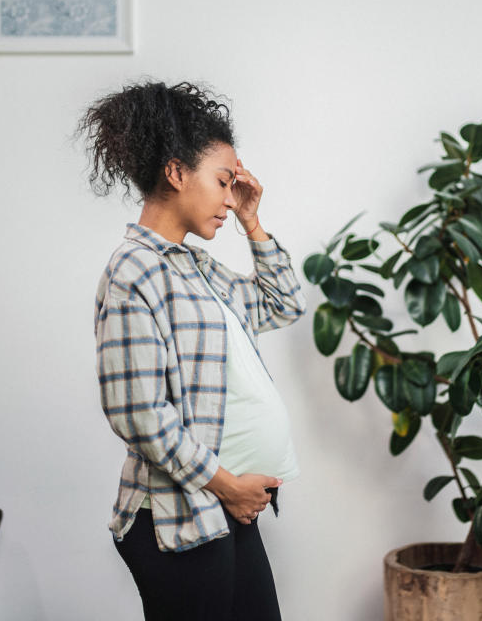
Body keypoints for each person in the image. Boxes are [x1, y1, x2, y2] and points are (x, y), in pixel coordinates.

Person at [79, 80, 307, 620]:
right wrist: (229, 486)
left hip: (225, 507)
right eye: (224, 183)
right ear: (176, 172)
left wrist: (253, 222)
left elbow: (284, 303)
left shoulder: (197, 267)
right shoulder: (133, 271)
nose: (231, 198)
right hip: (179, 513)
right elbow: (138, 414)